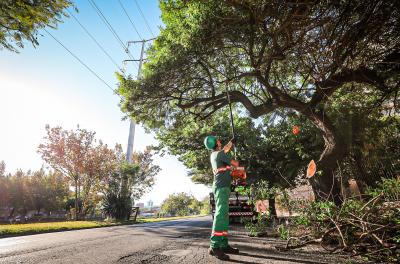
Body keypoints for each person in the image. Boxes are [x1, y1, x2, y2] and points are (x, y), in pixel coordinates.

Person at [204, 135, 240, 261]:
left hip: (222, 187)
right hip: (221, 188)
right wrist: (236, 160)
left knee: (224, 215)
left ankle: (223, 245)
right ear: (215, 143)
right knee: (220, 215)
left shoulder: (216, 154)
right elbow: (235, 163)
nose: (220, 140)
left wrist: (231, 142)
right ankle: (214, 246)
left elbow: (225, 149)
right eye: (218, 140)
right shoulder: (220, 155)